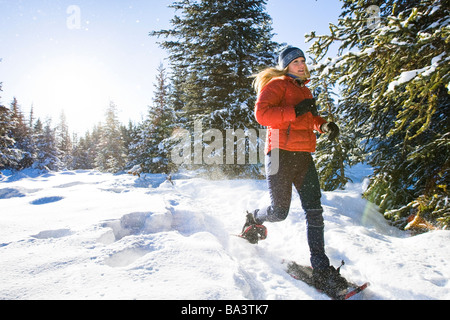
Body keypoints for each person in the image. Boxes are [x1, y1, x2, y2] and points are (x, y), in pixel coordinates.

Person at [240, 46, 345, 293]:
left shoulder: (305, 90)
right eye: (295, 61)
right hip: (279, 154)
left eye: (303, 60)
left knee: (314, 211)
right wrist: (294, 111)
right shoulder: (276, 85)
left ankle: (321, 269)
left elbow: (311, 119)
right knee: (279, 211)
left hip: (303, 157)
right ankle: (254, 218)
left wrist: (325, 126)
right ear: (286, 66)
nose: (301, 64)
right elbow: (262, 114)